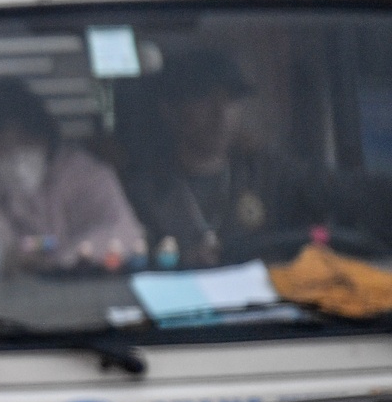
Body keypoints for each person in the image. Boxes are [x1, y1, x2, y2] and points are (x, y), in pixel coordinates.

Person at [122, 48, 385, 266]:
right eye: (204, 98)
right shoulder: (140, 190)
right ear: (170, 111)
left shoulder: (270, 172)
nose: (221, 113)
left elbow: (341, 190)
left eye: (231, 99)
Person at [0, 77, 144, 271]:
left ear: (46, 138)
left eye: (26, 141)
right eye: (1, 146)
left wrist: (64, 262)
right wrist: (7, 259)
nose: (17, 156)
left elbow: (122, 232)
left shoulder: (85, 176)